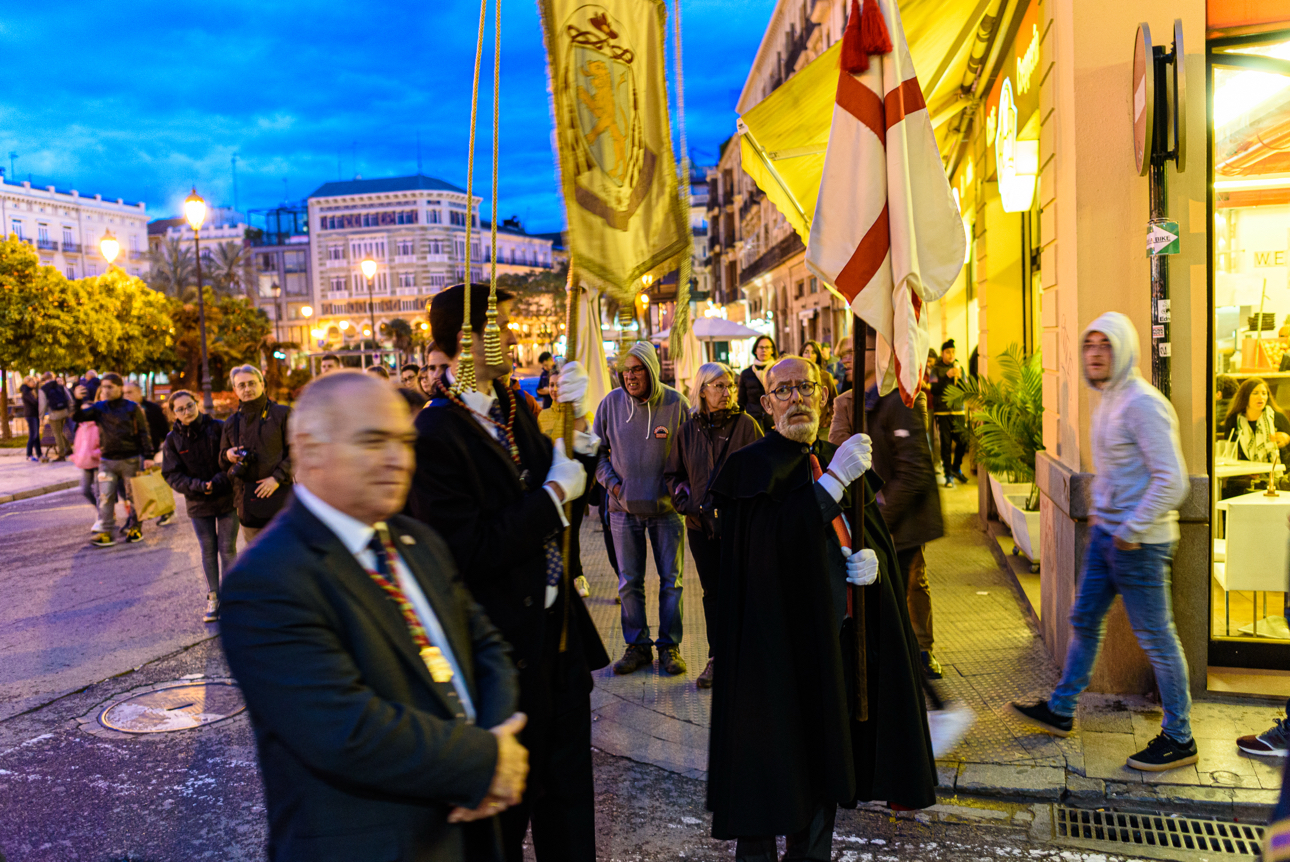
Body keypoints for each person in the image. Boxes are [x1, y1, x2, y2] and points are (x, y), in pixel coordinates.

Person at [220, 371, 526, 862]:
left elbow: (488, 645)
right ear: (311, 449)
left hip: (471, 832)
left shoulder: (418, 540)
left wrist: (494, 744)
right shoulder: (267, 581)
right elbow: (346, 731)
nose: (398, 459)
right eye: (372, 442)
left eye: (404, 441)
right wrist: (485, 761)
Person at [707, 356, 937, 860]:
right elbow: (772, 550)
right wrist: (831, 484)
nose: (796, 399)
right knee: (769, 788)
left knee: (821, 787)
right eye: (783, 391)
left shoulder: (841, 458)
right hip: (774, 660)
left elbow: (856, 540)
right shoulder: (750, 468)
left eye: (805, 388)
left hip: (830, 653)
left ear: (823, 396)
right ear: (767, 405)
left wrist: (871, 570)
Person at [409, 284, 608, 862]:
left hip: (560, 645)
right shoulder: (434, 434)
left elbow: (569, 494)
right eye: (501, 328)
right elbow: (467, 550)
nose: (513, 338)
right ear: (466, 342)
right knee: (502, 828)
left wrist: (584, 438)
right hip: (499, 658)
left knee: (570, 815)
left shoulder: (516, 406)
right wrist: (550, 497)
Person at [1011, 312, 1196, 771]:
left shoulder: (1142, 404)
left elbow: (1172, 481)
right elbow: (1118, 470)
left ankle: (1180, 736)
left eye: (1105, 345)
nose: (1095, 353)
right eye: (1089, 345)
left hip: (1141, 545)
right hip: (1106, 537)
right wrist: (1099, 509)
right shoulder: (1108, 400)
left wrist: (1131, 531)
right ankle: (1061, 708)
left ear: (1125, 349)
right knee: (1084, 618)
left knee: (1157, 639)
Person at [830, 370, 945, 679]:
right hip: (868, 509)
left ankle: (921, 650)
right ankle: (900, 660)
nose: (851, 360)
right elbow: (837, 447)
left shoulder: (905, 397)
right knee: (880, 591)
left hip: (900, 514)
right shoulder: (846, 402)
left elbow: (914, 466)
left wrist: (883, 511)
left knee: (912, 583)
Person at [593, 341, 691, 676]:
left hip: (667, 512)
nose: (631, 376)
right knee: (629, 582)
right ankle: (637, 645)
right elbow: (597, 452)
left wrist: (679, 492)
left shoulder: (677, 404)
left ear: (651, 369)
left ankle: (669, 647)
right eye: (626, 370)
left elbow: (691, 455)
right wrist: (614, 486)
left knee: (672, 582)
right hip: (622, 512)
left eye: (638, 369)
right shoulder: (610, 404)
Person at [663, 362, 762, 689]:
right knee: (714, 594)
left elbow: (761, 473)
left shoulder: (746, 426)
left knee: (744, 591)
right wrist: (686, 502)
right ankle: (717, 658)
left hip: (738, 526)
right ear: (702, 390)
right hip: (700, 528)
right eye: (718, 386)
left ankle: (748, 659)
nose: (726, 392)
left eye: (730, 385)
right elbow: (674, 475)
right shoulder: (687, 430)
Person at [161, 390, 237, 623]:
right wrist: (197, 486)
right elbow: (171, 474)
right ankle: (214, 596)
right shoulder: (173, 440)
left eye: (190, 405)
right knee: (207, 550)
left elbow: (231, 459)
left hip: (225, 497)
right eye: (181, 409)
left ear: (197, 404)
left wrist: (217, 481)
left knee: (227, 549)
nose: (187, 411)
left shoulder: (218, 427)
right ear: (174, 413)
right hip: (197, 501)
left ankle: (234, 598)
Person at [72, 373, 155, 546]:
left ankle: (135, 529)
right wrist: (77, 401)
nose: (106, 390)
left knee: (133, 498)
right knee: (105, 497)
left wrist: (148, 456)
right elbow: (77, 417)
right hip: (107, 461)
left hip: (130, 460)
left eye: (110, 387)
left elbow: (143, 432)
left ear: (120, 387)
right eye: (104, 387)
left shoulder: (133, 407)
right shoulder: (99, 407)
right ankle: (106, 532)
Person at [219, 365, 292, 546]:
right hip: (248, 504)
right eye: (241, 385)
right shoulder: (231, 422)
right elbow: (221, 460)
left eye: (252, 383)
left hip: (280, 498)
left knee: (286, 559)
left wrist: (276, 478)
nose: (247, 389)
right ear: (235, 390)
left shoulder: (282, 414)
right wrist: (227, 455)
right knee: (259, 562)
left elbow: (298, 450)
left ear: (262, 384)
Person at [123, 381, 176, 526]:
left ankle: (165, 510)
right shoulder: (123, 410)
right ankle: (134, 517)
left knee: (150, 484)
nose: (126, 395)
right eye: (124, 392)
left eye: (130, 392)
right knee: (130, 488)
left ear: (139, 392)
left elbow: (164, 429)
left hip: (147, 452)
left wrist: (158, 451)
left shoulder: (151, 408)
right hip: (129, 454)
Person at [1220, 377, 1290, 464]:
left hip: (1275, 473)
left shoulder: (1278, 418)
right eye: (1255, 393)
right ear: (1245, 396)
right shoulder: (1233, 420)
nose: (1261, 397)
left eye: (1264, 393)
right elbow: (1229, 452)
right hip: (1243, 473)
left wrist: (1288, 439)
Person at [929, 339, 969, 486]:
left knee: (963, 440)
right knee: (945, 444)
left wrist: (959, 378)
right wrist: (947, 376)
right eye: (948, 352)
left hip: (958, 410)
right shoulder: (936, 369)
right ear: (942, 353)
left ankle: (956, 468)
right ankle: (948, 476)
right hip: (942, 411)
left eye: (953, 352)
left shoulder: (959, 368)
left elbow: (965, 388)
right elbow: (934, 389)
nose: (951, 355)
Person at [737, 335, 777, 431]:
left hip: (774, 421)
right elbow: (741, 401)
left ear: (772, 350)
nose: (764, 350)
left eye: (767, 347)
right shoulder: (747, 373)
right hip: (753, 422)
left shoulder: (778, 371)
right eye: (761, 347)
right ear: (755, 350)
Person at [801, 340, 839, 433]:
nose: (809, 355)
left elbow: (835, 401)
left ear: (817, 355)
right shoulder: (796, 377)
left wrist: (828, 420)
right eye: (806, 352)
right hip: (802, 427)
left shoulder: (825, 376)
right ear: (801, 354)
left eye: (813, 352)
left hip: (821, 427)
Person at [38, 371, 73, 461]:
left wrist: (41, 417)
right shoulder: (60, 386)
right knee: (60, 431)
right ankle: (68, 449)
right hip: (64, 412)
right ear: (53, 377)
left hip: (54, 414)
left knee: (57, 433)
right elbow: (69, 398)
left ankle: (61, 454)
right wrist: (70, 410)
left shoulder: (43, 389)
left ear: (44, 379)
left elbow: (42, 404)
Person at [20, 375, 41, 462]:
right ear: (27, 383)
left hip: (35, 414)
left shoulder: (31, 391)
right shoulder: (26, 391)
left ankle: (39, 454)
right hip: (31, 415)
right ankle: (29, 454)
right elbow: (34, 402)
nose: (34, 383)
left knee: (36, 435)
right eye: (32, 382)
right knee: (33, 435)